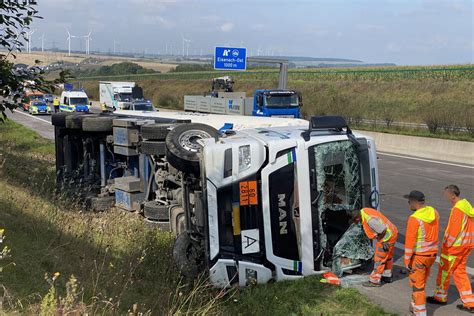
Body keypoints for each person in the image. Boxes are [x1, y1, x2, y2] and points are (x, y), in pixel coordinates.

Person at [427, 185, 474, 313]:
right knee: (460, 273)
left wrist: (446, 246)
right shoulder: (466, 206)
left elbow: (454, 231)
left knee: (444, 271)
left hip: (455, 247)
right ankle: (470, 303)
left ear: (453, 195)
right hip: (467, 245)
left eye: (446, 194)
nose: (445, 196)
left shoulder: (458, 209)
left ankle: (440, 297)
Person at [404, 190, 439, 316]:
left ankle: (420, 312)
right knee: (421, 281)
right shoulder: (434, 212)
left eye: (409, 201)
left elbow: (409, 242)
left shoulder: (414, 219)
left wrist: (407, 260)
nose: (408, 204)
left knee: (417, 286)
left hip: (420, 257)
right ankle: (414, 305)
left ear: (414, 202)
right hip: (432, 255)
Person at [353, 207, 398, 287]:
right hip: (392, 231)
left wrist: (382, 240)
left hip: (387, 236)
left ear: (357, 218)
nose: (358, 222)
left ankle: (374, 280)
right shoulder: (364, 211)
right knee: (388, 256)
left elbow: (383, 230)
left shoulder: (370, 221)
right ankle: (387, 276)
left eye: (356, 221)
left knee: (379, 259)